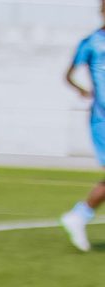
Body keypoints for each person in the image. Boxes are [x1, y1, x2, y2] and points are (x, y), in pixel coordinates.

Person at [60, 0, 105, 251]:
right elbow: (68, 75)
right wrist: (82, 90)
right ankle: (79, 215)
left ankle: (79, 215)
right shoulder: (91, 43)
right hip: (102, 119)